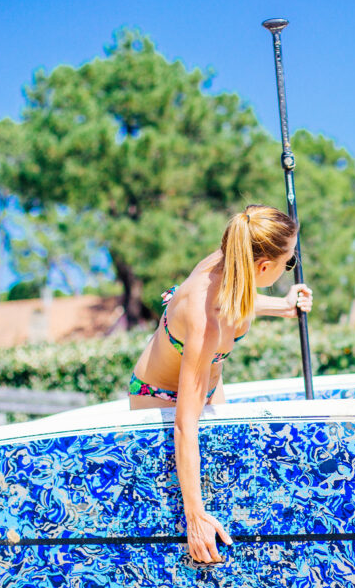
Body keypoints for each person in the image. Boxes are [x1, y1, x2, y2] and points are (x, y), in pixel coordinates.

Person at [128, 204, 312, 564]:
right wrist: (194, 519)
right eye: (288, 263)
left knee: (229, 480)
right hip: (163, 400)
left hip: (210, 385)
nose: (290, 268)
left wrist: (284, 306)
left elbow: (239, 295)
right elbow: (185, 425)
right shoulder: (205, 319)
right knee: (189, 507)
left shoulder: (233, 252)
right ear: (263, 267)